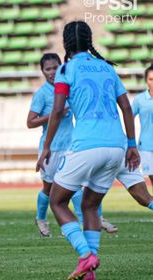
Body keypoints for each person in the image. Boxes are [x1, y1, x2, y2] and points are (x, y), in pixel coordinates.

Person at [36, 21, 139, 279]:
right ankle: (90, 270)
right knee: (90, 206)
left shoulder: (66, 69)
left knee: (58, 201)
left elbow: (57, 111)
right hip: (116, 147)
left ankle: (85, 254)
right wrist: (130, 145)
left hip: (86, 146)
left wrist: (46, 145)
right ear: (89, 40)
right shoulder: (106, 67)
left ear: (67, 43)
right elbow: (126, 107)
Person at [27, 53, 83, 237]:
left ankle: (85, 222)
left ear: (61, 67)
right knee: (49, 188)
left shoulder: (68, 88)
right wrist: (54, 114)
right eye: (47, 69)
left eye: (55, 67)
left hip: (71, 145)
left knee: (75, 185)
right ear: (42, 71)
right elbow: (30, 122)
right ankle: (41, 218)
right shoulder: (42, 94)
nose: (52, 72)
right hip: (50, 148)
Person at [132, 63, 153, 190]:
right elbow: (129, 117)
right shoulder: (139, 99)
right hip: (146, 147)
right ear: (146, 80)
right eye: (151, 79)